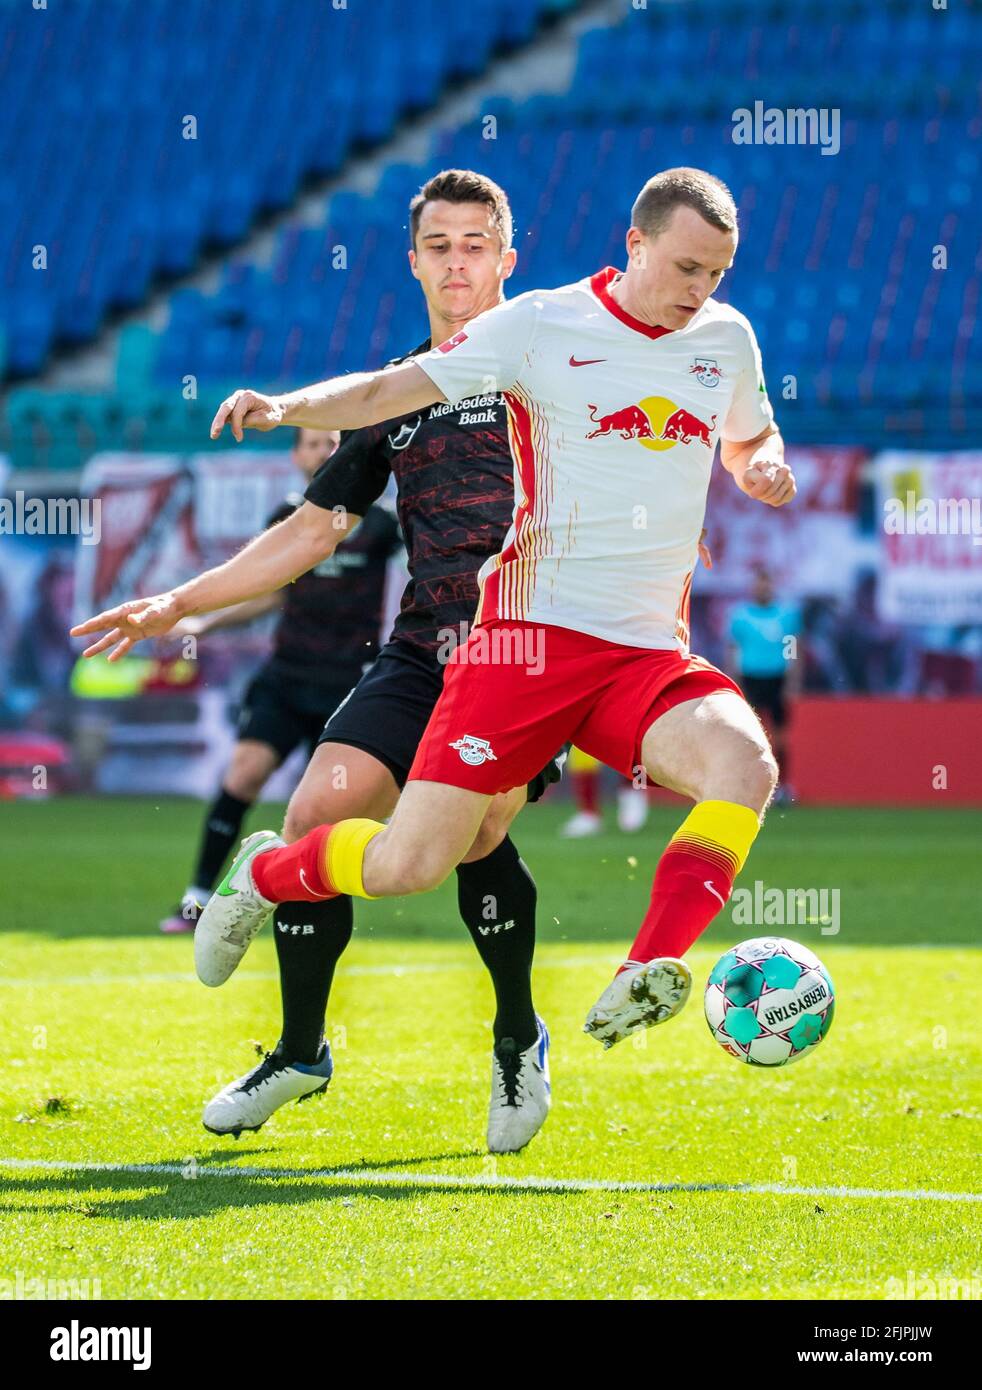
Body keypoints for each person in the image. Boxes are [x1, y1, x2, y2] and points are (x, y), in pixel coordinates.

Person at [76, 166, 796, 1080]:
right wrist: (283, 416)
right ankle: (276, 924)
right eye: (688, 269)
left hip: (641, 652)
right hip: (500, 647)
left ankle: (634, 972)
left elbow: (745, 431)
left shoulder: (724, 340)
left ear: (506, 254)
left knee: (744, 763)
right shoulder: (534, 332)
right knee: (401, 857)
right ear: (637, 244)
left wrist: (760, 462)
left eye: (717, 276)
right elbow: (356, 447)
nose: (701, 292)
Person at [75, 170, 562, 1153]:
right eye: (441, 244)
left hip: (526, 654)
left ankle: (517, 1033)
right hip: (424, 647)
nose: (458, 261)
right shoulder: (395, 394)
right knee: (311, 813)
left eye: (478, 244)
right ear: (414, 258)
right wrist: (176, 600)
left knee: (468, 836)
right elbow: (305, 534)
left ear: (507, 262)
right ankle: (301, 1052)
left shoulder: (554, 363)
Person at [159, 426, 401, 932]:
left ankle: (310, 908)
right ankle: (198, 895)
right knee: (243, 776)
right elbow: (270, 591)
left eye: (330, 443)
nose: (320, 452)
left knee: (328, 810)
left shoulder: (382, 525)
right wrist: (201, 620)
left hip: (348, 685)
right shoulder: (287, 520)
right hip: (287, 676)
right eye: (310, 443)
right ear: (295, 456)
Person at [727, 567, 801, 803]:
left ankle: (782, 788)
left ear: (772, 586)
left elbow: (792, 648)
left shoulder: (786, 615)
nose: (762, 588)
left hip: (777, 678)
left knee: (780, 737)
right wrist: (733, 682)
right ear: (753, 587)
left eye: (766, 584)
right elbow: (734, 649)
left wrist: (792, 680)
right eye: (759, 584)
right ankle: (747, 786)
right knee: (749, 737)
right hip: (750, 679)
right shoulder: (741, 616)